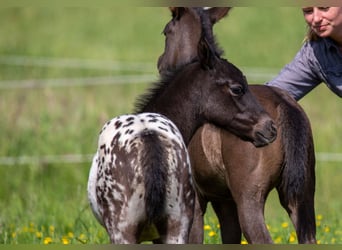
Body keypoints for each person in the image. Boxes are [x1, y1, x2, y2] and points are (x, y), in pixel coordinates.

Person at [267, 7, 342, 101]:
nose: (316, 19)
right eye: (308, 11)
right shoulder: (315, 52)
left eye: (324, 8)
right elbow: (273, 95)